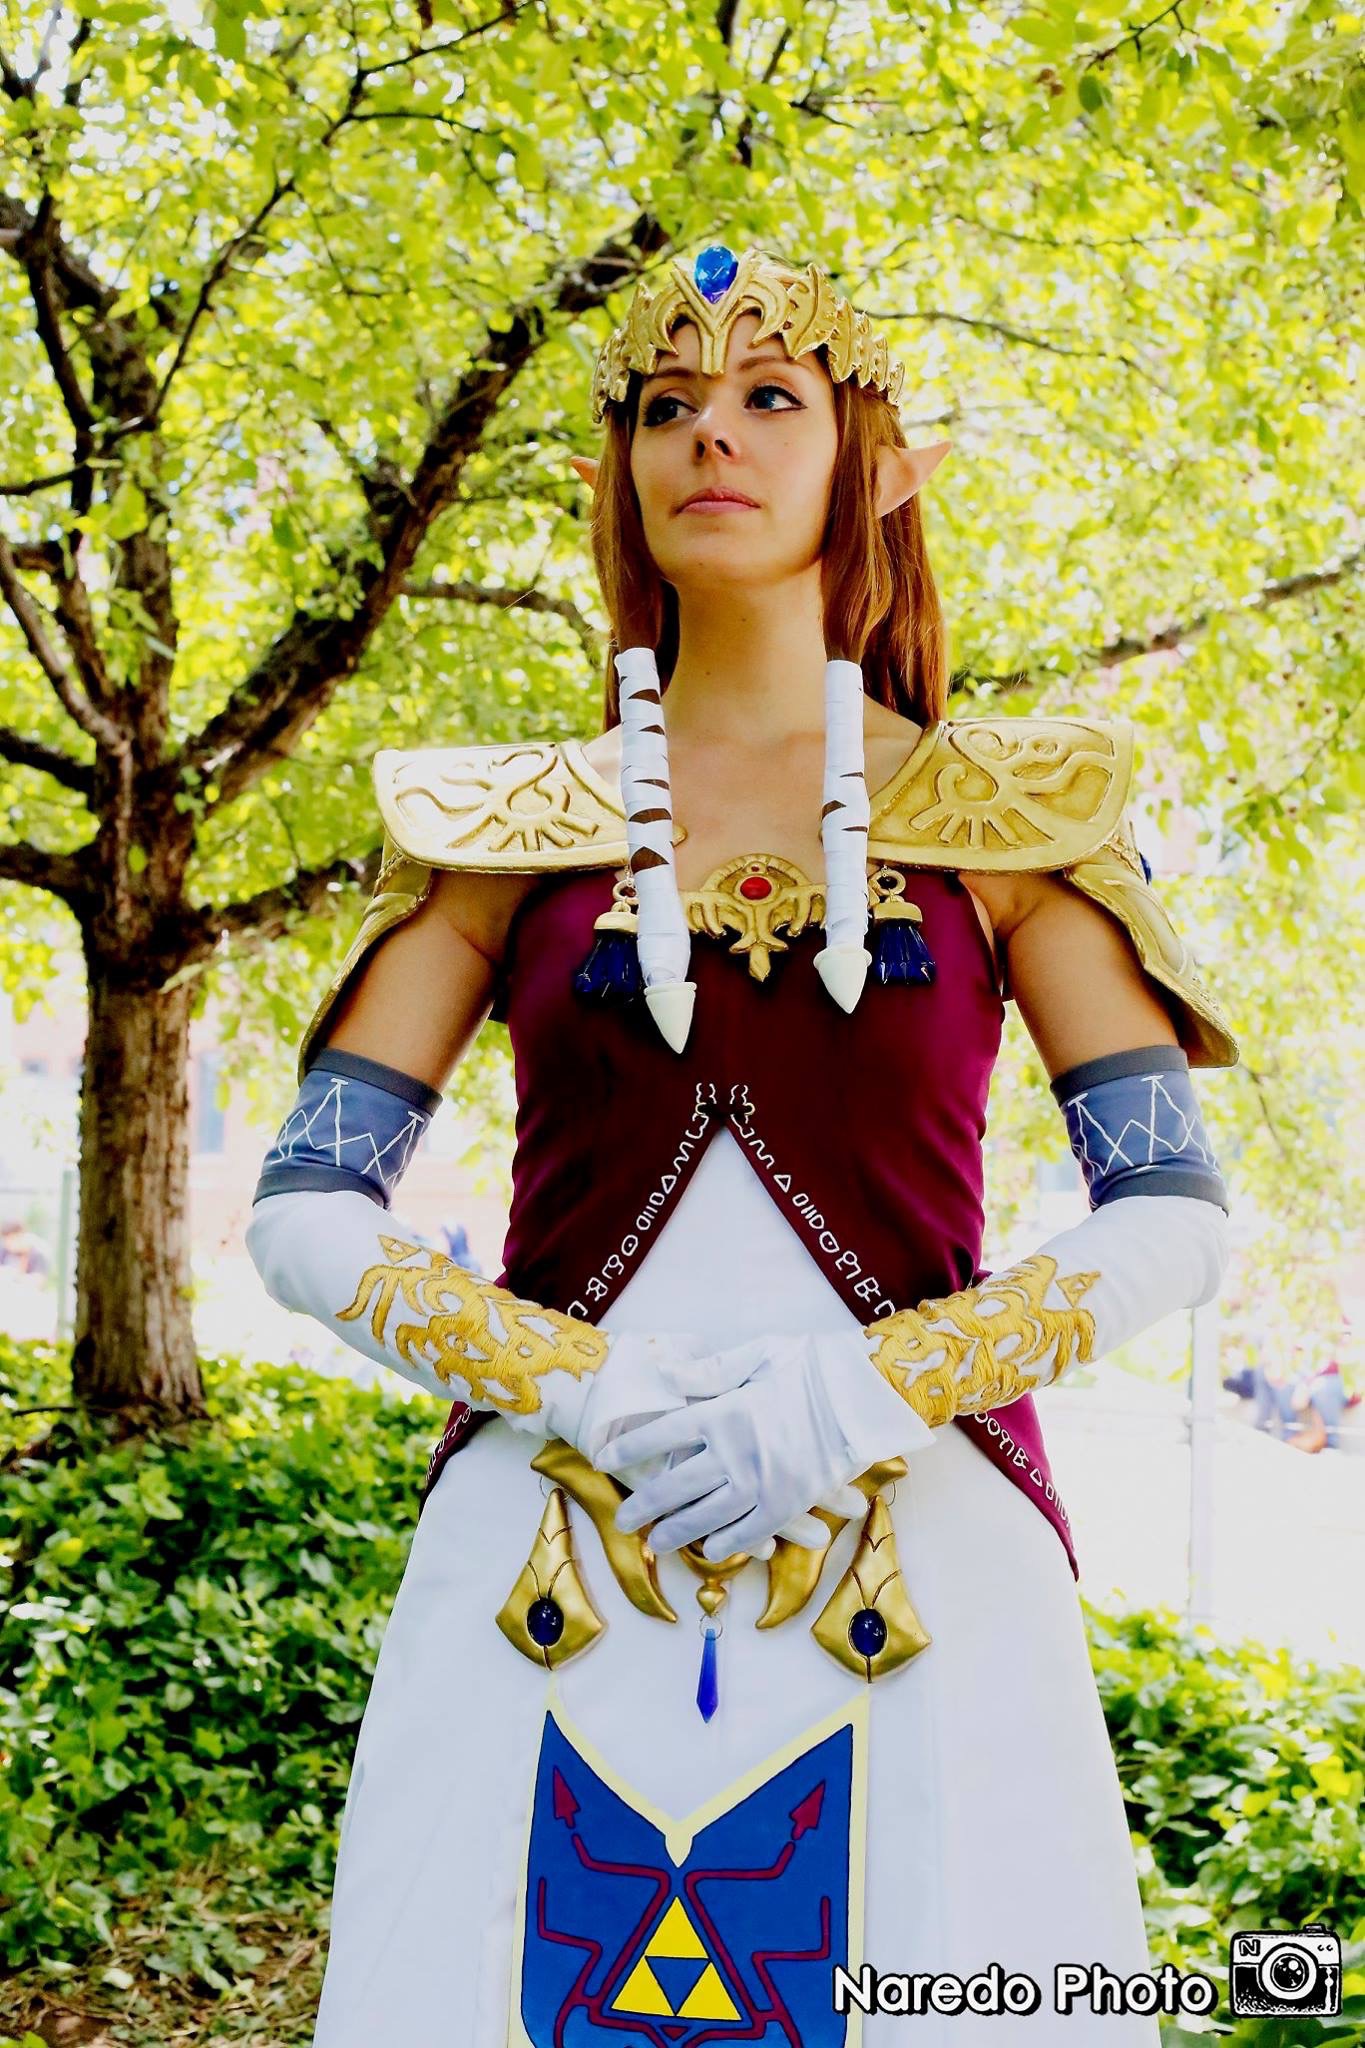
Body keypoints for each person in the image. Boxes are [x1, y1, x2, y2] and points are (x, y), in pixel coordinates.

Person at [245, 243, 1238, 2045]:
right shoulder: (496, 828)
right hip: (544, 1553)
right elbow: (307, 1208)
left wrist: (855, 1398)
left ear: (881, 466)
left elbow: (1168, 1214)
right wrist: (581, 1386)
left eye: (772, 396)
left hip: (920, 1550)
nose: (712, 434)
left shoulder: (1017, 818)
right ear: (612, 470)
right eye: (664, 405)